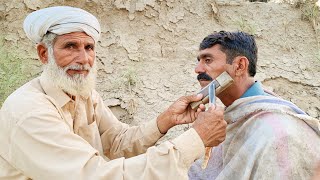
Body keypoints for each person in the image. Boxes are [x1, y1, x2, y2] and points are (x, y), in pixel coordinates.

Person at [0, 6, 228, 179]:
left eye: (89, 48)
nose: (83, 59)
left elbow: (118, 143)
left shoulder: (83, 94)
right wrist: (196, 139)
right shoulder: (29, 111)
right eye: (70, 47)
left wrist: (165, 121)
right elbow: (95, 175)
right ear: (44, 54)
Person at [188, 30, 320, 179]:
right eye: (198, 61)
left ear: (239, 66)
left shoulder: (277, 130)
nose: (198, 69)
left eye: (208, 60)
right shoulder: (229, 117)